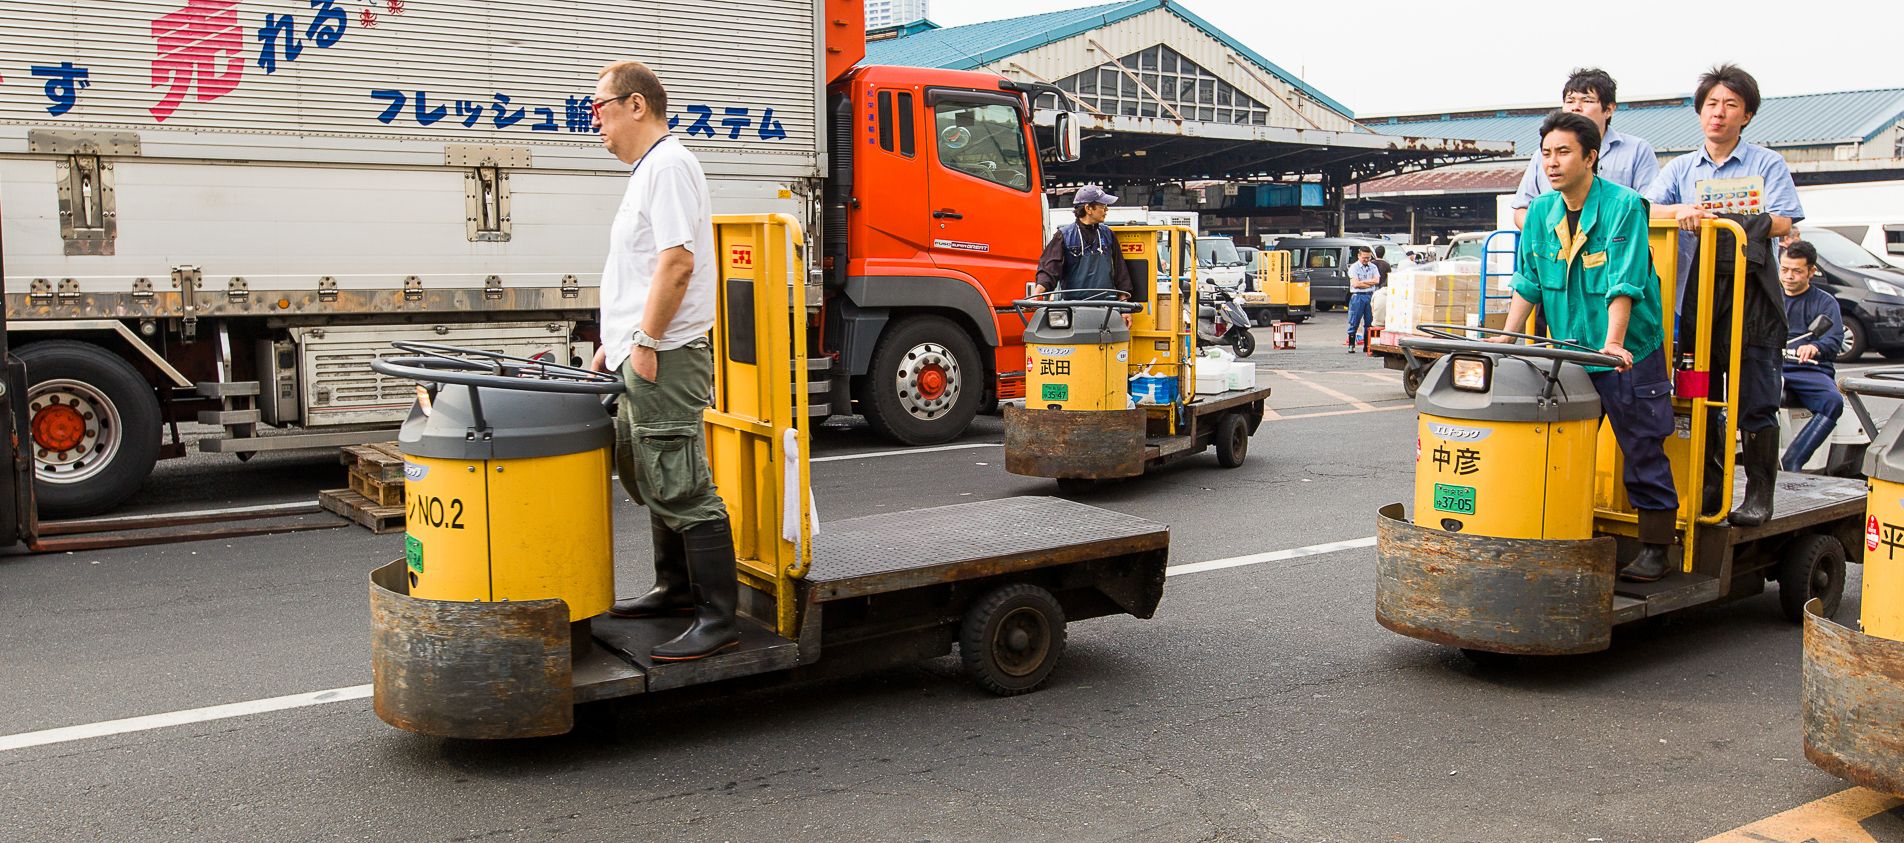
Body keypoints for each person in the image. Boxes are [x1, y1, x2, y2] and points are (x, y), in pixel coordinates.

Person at [588, 60, 738, 662]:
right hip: (638, 351)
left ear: (635, 105)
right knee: (645, 468)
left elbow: (679, 263)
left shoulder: (670, 166)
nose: (593, 121)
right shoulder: (650, 170)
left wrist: (645, 341)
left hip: (665, 356)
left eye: (597, 108)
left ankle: (718, 618)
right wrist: (619, 338)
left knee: (678, 478)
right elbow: (644, 268)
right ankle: (676, 589)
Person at [1490, 112, 1678, 583]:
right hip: (1569, 349)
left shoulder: (1624, 206)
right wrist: (1508, 337)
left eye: (1564, 152)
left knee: (1641, 442)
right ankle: (1559, 527)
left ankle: (1656, 546)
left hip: (1626, 349)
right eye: (1547, 154)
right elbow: (1528, 281)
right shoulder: (1539, 212)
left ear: (1590, 157)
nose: (1552, 163)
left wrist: (1613, 343)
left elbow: (1625, 280)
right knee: (1557, 440)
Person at [1646, 63, 1804, 526]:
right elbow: (1646, 207)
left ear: (1747, 115)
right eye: (1711, 104)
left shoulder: (1766, 163)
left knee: (1756, 398)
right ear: (1699, 113)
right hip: (1697, 305)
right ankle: (1710, 484)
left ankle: (1758, 493)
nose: (1719, 113)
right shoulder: (1679, 169)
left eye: (1730, 105)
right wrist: (1682, 210)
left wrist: (1730, 222)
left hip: (1753, 299)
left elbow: (1784, 220)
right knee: (1699, 394)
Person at [1511, 68, 1660, 229]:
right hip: (1556, 249)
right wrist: (1544, 236)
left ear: (1609, 109)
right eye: (1570, 101)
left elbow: (1647, 206)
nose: (1576, 107)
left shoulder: (1637, 150)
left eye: (1587, 101)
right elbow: (1522, 208)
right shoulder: (1542, 155)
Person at [1778, 240, 1845, 471]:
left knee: (1833, 401)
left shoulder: (1825, 302)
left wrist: (1814, 347)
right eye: (1784, 269)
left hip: (1809, 369)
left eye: (1797, 271)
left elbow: (1833, 339)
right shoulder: (1769, 297)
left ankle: (1793, 460)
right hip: (1772, 366)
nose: (1789, 276)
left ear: (1811, 271)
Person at [1033, 185, 1134, 302]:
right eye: (1103, 205)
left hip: (1108, 306)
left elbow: (1121, 272)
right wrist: (1036, 295)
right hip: (1072, 307)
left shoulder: (1108, 234)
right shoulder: (1064, 236)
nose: (1106, 209)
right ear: (1088, 208)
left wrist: (1124, 306)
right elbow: (1049, 270)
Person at [1346, 248, 1379, 351]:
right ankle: (1351, 345)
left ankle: (1367, 346)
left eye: (1368, 257)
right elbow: (1355, 284)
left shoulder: (1373, 267)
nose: (1366, 260)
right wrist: (1369, 283)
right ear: (1359, 256)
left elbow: (1377, 281)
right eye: (1364, 257)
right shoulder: (1354, 267)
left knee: (1369, 322)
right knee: (1354, 321)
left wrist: (1362, 283)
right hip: (1357, 296)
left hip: (1370, 296)